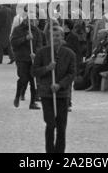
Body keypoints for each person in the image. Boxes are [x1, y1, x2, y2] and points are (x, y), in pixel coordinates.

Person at [33, 25, 76, 153]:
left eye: (58, 35)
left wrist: (60, 85)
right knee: (50, 124)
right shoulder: (41, 52)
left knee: (61, 127)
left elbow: (72, 73)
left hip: (62, 94)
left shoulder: (69, 54)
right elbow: (34, 72)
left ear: (62, 37)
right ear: (48, 38)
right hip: (47, 94)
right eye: (53, 36)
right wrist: (47, 68)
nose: (56, 38)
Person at [11, 16, 42, 110]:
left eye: (33, 20)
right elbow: (13, 43)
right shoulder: (17, 30)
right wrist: (25, 38)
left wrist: (36, 53)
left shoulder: (36, 30)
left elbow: (39, 44)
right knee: (23, 78)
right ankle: (17, 96)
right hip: (21, 58)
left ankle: (32, 102)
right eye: (29, 20)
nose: (31, 22)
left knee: (33, 81)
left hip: (32, 59)